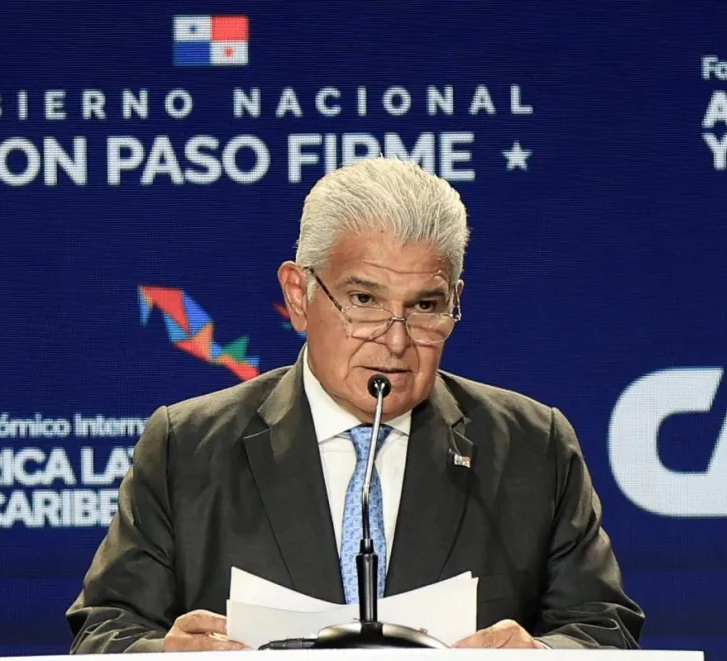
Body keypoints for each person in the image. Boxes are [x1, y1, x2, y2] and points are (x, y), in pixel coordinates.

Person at [66, 158, 644, 652]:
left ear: (455, 303)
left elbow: (604, 627)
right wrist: (162, 656)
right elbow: (105, 628)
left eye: (424, 306)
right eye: (363, 300)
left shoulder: (531, 446)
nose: (395, 341)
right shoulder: (186, 446)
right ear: (299, 294)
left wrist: (541, 655)